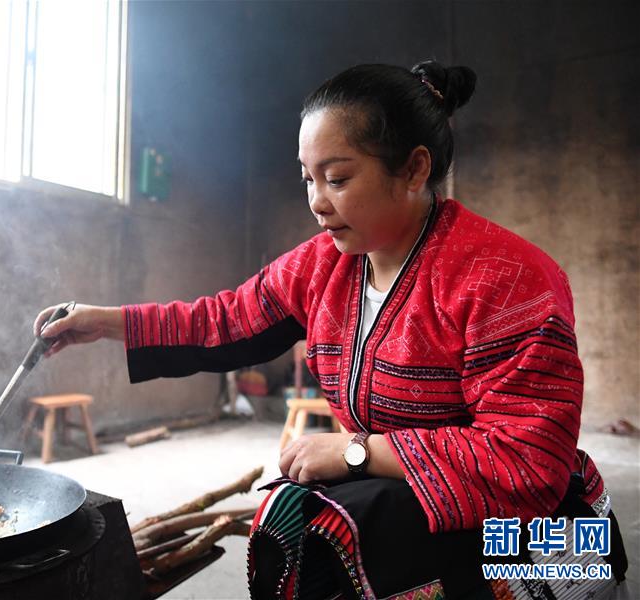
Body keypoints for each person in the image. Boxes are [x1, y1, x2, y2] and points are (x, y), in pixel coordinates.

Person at [33, 61, 628, 599]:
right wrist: (103, 323)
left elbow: (526, 460)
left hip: (533, 538)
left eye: (338, 178)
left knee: (324, 532)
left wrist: (354, 451)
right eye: (307, 178)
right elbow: (225, 318)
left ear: (414, 168)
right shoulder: (325, 265)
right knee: (298, 527)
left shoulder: (504, 278)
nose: (317, 202)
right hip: (407, 501)